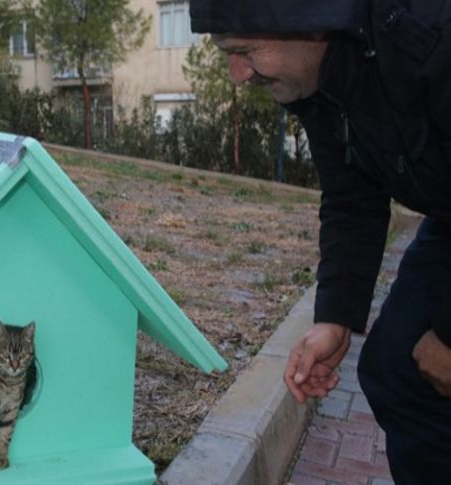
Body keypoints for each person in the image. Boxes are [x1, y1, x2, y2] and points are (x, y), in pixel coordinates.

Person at [188, 0, 451, 483]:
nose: (236, 74)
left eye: (244, 50)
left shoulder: (430, 30)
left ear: (307, 24)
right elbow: (352, 193)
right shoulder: (314, 83)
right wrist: (336, 316)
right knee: (397, 368)